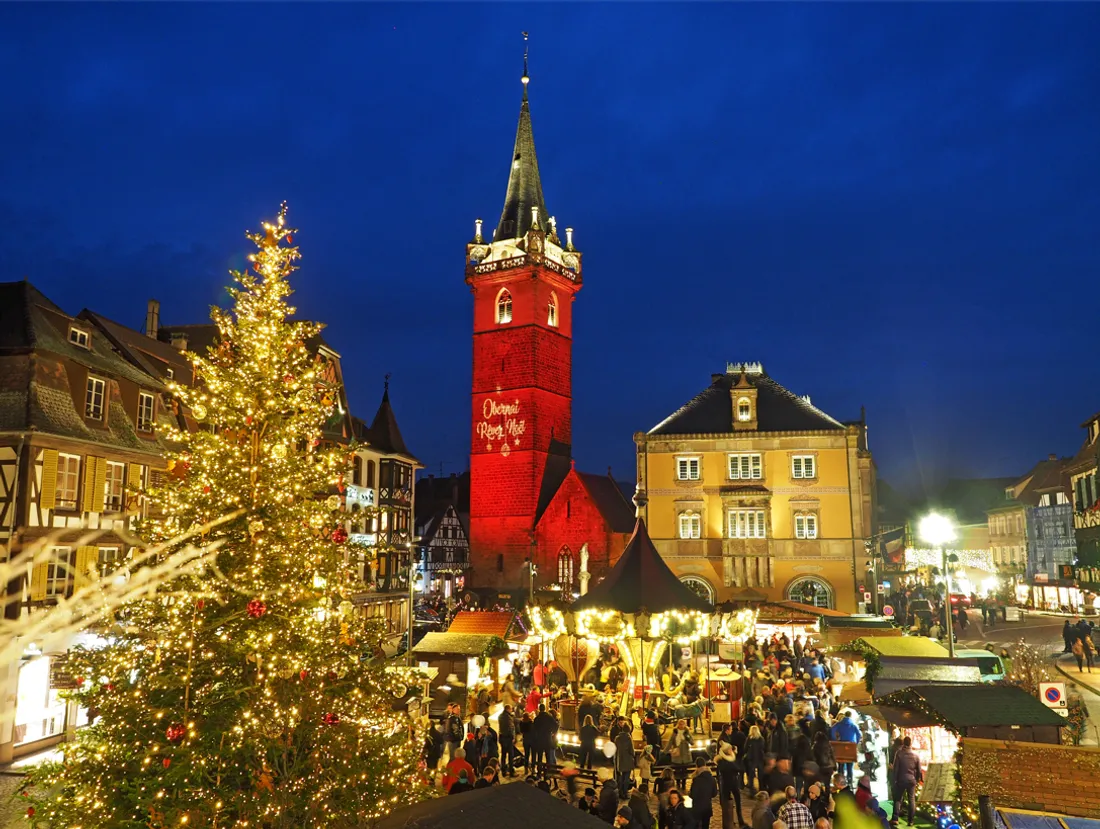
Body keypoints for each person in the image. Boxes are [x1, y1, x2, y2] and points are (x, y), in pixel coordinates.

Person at [889, 737, 922, 827]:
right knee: (912, 800)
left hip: (901, 780)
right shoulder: (916, 755)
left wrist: (894, 779)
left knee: (898, 799)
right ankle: (910, 821)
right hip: (911, 780)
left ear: (903, 743)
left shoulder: (899, 754)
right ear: (911, 743)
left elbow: (896, 768)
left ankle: (895, 819)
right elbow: (919, 770)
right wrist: (917, 780)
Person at [716, 742, 743, 829]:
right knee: (728, 804)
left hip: (730, 784)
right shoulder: (724, 761)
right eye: (730, 749)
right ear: (727, 751)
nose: (732, 750)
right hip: (729, 784)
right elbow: (737, 768)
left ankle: (737, 819)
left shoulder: (729, 759)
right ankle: (730, 821)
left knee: (736, 802)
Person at [828, 712, 860, 787]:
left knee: (841, 766)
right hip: (850, 747)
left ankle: (840, 783)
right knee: (850, 766)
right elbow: (859, 734)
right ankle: (850, 783)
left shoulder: (839, 724)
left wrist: (835, 739)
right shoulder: (853, 724)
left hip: (841, 746)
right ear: (850, 716)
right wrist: (856, 742)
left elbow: (832, 730)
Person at [689, 757, 718, 829]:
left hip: (697, 808)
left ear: (696, 766)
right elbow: (714, 793)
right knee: (706, 826)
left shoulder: (696, 779)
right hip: (707, 807)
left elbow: (693, 795)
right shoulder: (712, 779)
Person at [667, 720, 694, 788]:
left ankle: (684, 784)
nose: (681, 726)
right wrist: (665, 751)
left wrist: (687, 737)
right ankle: (678, 784)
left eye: (683, 724)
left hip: (685, 756)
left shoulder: (687, 732)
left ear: (685, 725)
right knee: (677, 770)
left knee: (684, 771)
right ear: (678, 725)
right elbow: (670, 742)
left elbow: (692, 742)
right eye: (680, 724)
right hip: (677, 756)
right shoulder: (674, 732)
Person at [617, 726, 637, 798]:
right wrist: (633, 755)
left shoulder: (618, 738)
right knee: (626, 778)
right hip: (628, 760)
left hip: (621, 759)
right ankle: (625, 792)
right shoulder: (629, 738)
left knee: (622, 777)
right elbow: (632, 750)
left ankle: (620, 791)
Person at [745, 725, 766, 792]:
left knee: (751, 775)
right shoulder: (761, 738)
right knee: (760, 774)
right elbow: (764, 747)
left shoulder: (749, 738)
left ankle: (751, 789)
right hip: (760, 758)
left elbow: (745, 748)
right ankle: (761, 788)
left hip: (751, 758)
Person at [499, 704, 517, 776]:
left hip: (502, 737)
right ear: (508, 709)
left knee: (503, 755)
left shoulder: (501, 716)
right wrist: (513, 737)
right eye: (510, 709)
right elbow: (511, 728)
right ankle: (511, 772)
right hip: (508, 738)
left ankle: (503, 771)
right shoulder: (508, 717)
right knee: (510, 755)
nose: (511, 710)